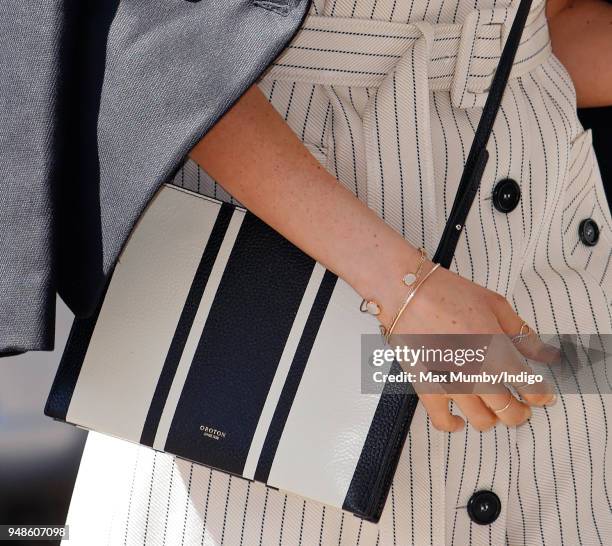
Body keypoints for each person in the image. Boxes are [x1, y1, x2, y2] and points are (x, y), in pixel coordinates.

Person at [66, 0, 612, 543]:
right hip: (299, 233)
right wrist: (402, 286)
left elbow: (559, 21)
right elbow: (154, 31)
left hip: (550, 243)